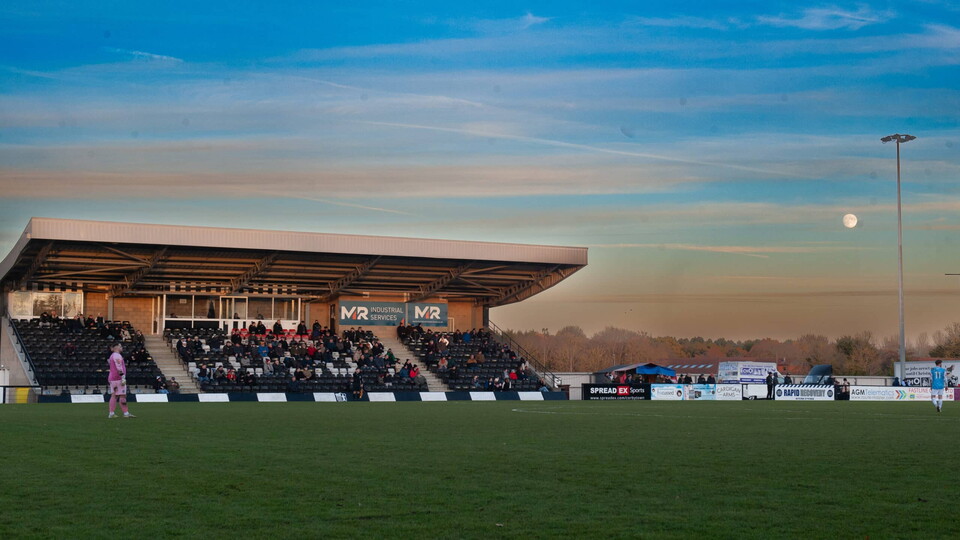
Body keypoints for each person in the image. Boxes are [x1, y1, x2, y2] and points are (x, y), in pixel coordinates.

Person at [107, 343, 135, 418]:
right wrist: (122, 377)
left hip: (113, 378)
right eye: (120, 346)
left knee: (114, 396)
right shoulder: (117, 355)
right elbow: (119, 367)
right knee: (122, 395)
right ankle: (126, 413)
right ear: (117, 347)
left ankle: (111, 413)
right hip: (118, 378)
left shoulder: (112, 355)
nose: (121, 347)